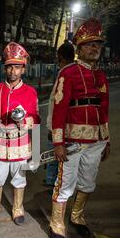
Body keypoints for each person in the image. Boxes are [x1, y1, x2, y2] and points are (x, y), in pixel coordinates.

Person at [48, 18, 110, 238]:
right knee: (64, 183)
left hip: (96, 141)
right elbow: (58, 110)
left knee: (88, 182)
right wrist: (58, 143)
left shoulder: (101, 76)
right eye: (90, 44)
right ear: (80, 48)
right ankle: (56, 224)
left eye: (98, 44)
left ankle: (76, 217)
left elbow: (104, 110)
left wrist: (107, 139)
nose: (95, 48)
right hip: (72, 141)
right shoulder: (68, 73)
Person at [0, 42, 40, 226]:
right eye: (10, 66)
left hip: (19, 141)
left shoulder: (30, 92)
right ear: (5, 68)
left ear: (23, 69)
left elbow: (36, 120)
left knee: (19, 178)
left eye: (17, 67)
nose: (13, 71)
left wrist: (22, 121)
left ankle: (18, 208)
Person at [45, 42, 75, 187]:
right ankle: (54, 182)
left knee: (53, 156)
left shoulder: (65, 73)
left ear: (60, 57)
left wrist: (52, 128)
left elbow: (57, 107)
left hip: (58, 127)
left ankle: (52, 184)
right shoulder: (75, 72)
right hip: (68, 127)